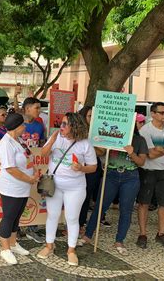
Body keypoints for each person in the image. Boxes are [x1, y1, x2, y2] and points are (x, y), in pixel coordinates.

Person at [81, 117, 148, 255]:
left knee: (126, 210)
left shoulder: (139, 140)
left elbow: (141, 162)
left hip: (130, 177)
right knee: (100, 207)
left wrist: (131, 152)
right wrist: (95, 140)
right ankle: (87, 235)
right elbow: (102, 152)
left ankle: (119, 240)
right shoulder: (112, 134)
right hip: (110, 174)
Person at [37, 112, 97, 266]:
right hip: (54, 184)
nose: (61, 126)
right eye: (61, 123)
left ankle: (71, 250)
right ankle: (49, 245)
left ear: (74, 126)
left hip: (75, 187)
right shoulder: (56, 137)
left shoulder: (85, 144)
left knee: (71, 218)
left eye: (65, 124)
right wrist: (51, 141)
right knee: (53, 215)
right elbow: (43, 154)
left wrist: (81, 168)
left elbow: (93, 167)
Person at [0, 113, 40, 265]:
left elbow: (27, 156)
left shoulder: (19, 140)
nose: (25, 127)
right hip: (11, 187)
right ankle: (5, 249)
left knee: (17, 216)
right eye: (23, 125)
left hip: (23, 187)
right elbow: (10, 169)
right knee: (8, 217)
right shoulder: (5, 143)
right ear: (17, 127)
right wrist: (30, 179)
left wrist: (34, 171)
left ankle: (14, 244)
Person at [136, 102, 164, 249]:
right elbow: (150, 154)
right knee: (143, 203)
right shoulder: (145, 131)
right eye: (161, 113)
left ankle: (161, 234)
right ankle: (143, 234)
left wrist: (161, 149)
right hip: (148, 171)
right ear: (153, 114)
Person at [20, 97, 46, 244]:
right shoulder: (18, 125)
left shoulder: (39, 126)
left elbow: (41, 145)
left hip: (35, 169)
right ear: (27, 108)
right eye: (36, 108)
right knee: (19, 199)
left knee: (35, 196)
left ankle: (32, 229)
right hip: (19, 169)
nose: (39, 111)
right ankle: (15, 229)